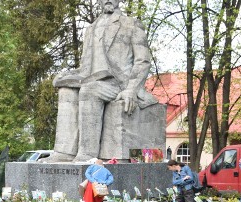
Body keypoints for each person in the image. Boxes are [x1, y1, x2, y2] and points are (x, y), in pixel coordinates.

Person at [45, 0, 157, 162]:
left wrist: (131, 89)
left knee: (89, 90)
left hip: (119, 85)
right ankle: (65, 152)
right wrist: (66, 76)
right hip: (93, 80)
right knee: (66, 91)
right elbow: (85, 68)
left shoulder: (131, 24)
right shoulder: (91, 29)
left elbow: (142, 61)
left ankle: (87, 154)